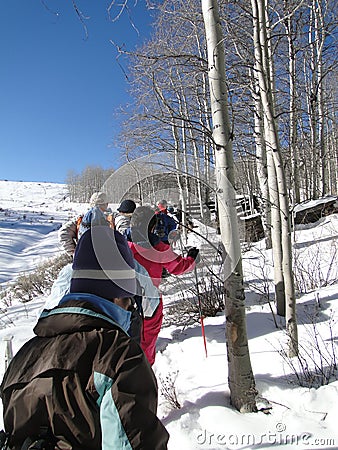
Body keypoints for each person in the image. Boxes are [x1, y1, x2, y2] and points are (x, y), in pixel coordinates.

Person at [0, 225, 169, 450]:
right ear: (119, 296)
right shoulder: (119, 357)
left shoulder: (22, 358)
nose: (130, 311)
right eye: (129, 301)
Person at [126, 206, 199, 365]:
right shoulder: (159, 248)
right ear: (152, 226)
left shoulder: (119, 245)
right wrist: (192, 259)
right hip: (149, 304)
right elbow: (179, 267)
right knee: (146, 343)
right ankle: (144, 378)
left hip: (121, 301)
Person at [58, 191, 109, 257]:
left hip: (83, 259)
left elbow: (63, 232)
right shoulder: (110, 218)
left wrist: (74, 253)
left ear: (91, 204)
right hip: (106, 259)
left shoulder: (80, 218)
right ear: (106, 204)